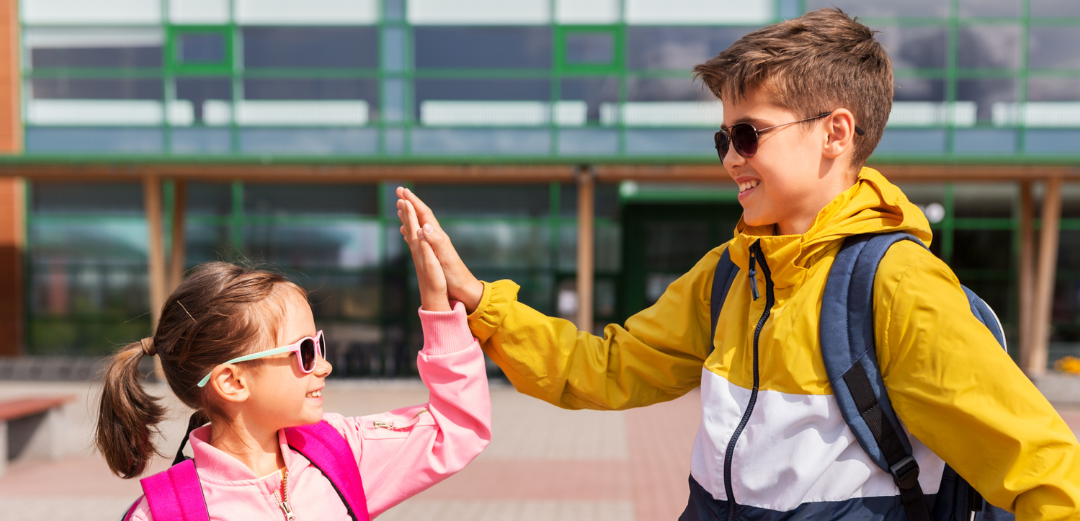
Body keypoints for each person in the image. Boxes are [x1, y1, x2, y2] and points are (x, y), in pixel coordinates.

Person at [395, 8, 1080, 521]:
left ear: (835, 134)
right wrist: (480, 299)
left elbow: (1043, 470)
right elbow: (601, 369)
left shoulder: (900, 286)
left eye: (749, 134)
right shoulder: (731, 271)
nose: (729, 157)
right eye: (724, 135)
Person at [95, 201, 491, 520]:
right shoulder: (164, 514)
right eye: (304, 351)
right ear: (232, 381)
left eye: (318, 344)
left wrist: (439, 305)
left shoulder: (340, 452)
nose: (324, 365)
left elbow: (456, 428)